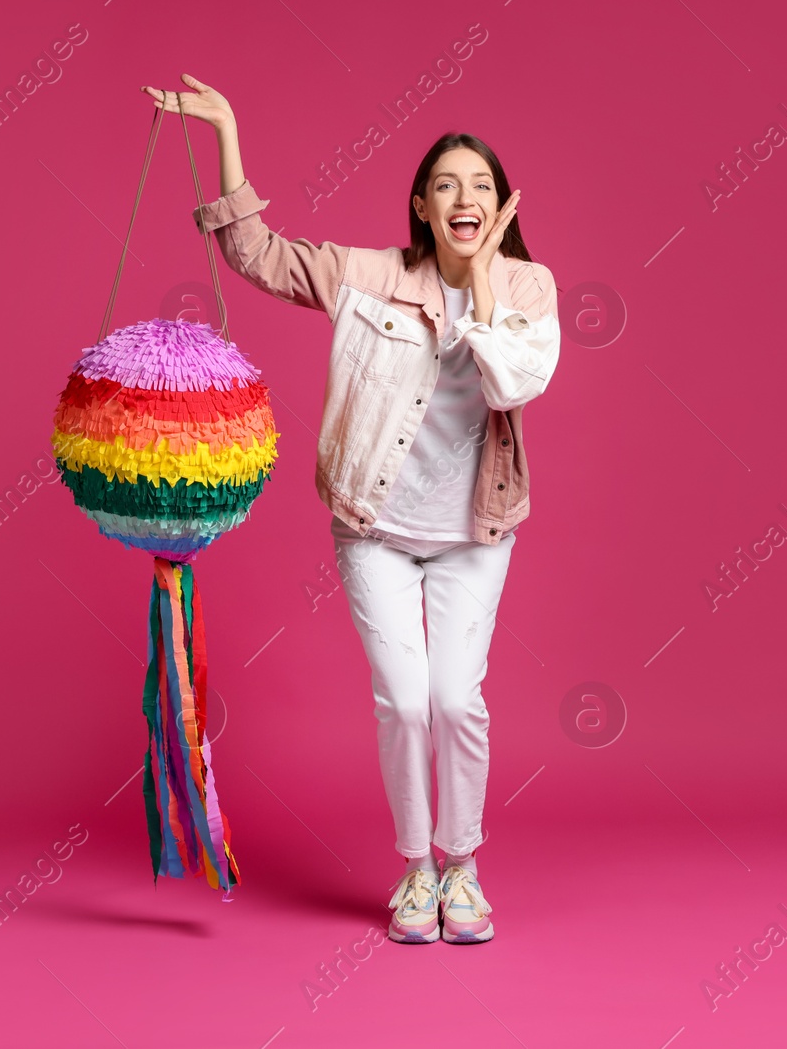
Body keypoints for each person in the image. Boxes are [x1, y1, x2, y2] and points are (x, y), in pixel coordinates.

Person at [142, 74, 559, 944]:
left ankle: (463, 865)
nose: (463, 197)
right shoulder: (369, 275)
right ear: (420, 203)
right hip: (375, 528)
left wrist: (482, 278)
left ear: (502, 208)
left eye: (481, 186)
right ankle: (417, 869)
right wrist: (226, 131)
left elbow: (514, 378)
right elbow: (260, 254)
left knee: (457, 699)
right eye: (446, 184)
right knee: (406, 701)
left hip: (475, 534)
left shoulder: (527, 288)